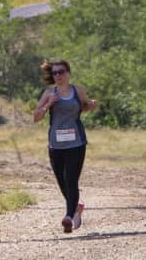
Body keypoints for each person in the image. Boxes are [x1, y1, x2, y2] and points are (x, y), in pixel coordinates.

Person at [33, 60, 98, 234]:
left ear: (68, 73)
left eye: (61, 72)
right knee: (61, 181)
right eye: (55, 73)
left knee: (71, 179)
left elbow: (84, 106)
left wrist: (90, 105)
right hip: (55, 144)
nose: (58, 76)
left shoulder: (78, 91)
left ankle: (69, 216)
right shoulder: (49, 93)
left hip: (76, 143)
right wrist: (49, 104)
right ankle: (77, 208)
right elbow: (36, 117)